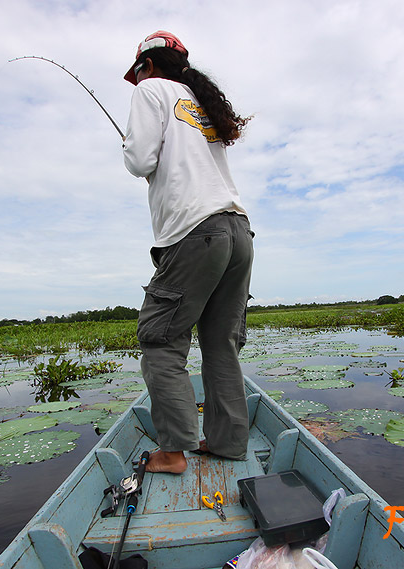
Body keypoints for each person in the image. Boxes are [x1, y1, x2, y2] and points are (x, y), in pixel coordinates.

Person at [122, 31, 254, 474]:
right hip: (237, 230)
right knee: (221, 344)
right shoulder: (200, 102)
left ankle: (173, 451)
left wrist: (130, 148)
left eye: (136, 72)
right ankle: (229, 443)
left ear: (146, 67)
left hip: (195, 233)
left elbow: (140, 160)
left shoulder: (150, 90)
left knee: (161, 340)